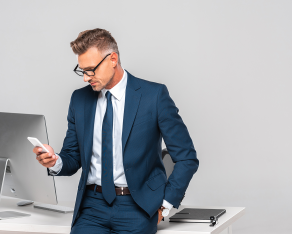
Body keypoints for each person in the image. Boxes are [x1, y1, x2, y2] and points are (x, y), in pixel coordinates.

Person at [33, 28, 199, 234]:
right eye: (82, 70)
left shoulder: (153, 96)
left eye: (91, 69)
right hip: (92, 206)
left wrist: (165, 205)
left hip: (138, 205)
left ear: (113, 59)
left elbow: (187, 158)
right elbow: (73, 157)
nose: (86, 78)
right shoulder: (79, 99)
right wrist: (54, 160)